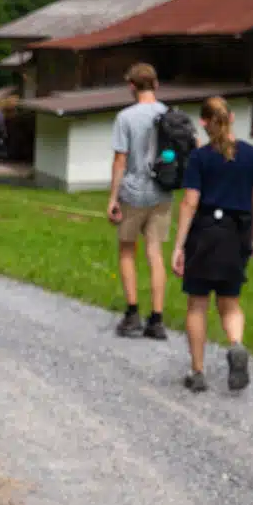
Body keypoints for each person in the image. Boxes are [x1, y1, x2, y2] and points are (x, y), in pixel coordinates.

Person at [170, 97, 253, 393]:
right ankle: (236, 344)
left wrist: (179, 245)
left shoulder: (200, 158)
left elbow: (189, 202)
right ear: (232, 118)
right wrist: (252, 237)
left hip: (205, 232)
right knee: (230, 304)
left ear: (203, 122)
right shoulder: (252, 156)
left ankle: (198, 372)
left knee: (197, 305)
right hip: (236, 233)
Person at [106, 62, 172, 339]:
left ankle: (132, 313)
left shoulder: (125, 117)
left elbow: (120, 159)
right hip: (162, 191)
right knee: (155, 254)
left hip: (133, 192)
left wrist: (113, 197)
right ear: (156, 85)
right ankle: (156, 319)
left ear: (132, 86)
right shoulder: (169, 114)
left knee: (127, 251)